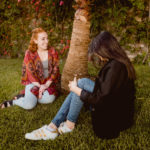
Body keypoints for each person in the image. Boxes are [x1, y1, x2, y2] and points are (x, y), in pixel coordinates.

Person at [25, 31, 136, 140]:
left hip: (113, 119)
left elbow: (102, 99)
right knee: (82, 82)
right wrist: (78, 88)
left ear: (106, 49)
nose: (98, 55)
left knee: (79, 87)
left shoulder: (115, 67)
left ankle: (57, 127)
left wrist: (77, 91)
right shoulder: (119, 62)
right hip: (117, 106)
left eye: (98, 52)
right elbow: (107, 88)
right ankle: (59, 125)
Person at [0, 28, 60, 110]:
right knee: (29, 105)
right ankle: (14, 102)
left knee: (49, 99)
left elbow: (55, 70)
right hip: (33, 83)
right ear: (35, 41)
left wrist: (46, 85)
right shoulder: (29, 54)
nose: (47, 41)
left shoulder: (52, 52)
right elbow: (30, 74)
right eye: (43, 39)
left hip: (48, 83)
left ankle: (27, 96)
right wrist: (40, 86)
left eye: (47, 38)